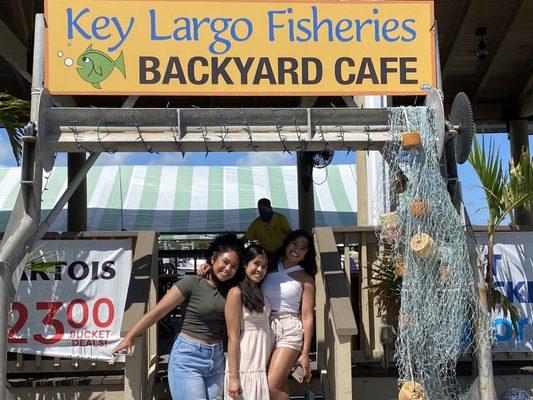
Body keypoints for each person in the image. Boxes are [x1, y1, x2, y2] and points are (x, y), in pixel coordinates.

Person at [111, 233, 244, 400]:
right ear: (213, 258)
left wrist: (234, 376)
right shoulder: (192, 283)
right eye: (225, 262)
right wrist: (130, 336)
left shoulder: (232, 290)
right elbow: (158, 311)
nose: (228, 269)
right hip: (188, 357)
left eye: (234, 266)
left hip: (216, 359)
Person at [262, 230, 316, 400]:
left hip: (290, 328)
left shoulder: (306, 279)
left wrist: (305, 352)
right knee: (279, 385)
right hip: (265, 326)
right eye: (294, 243)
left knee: (269, 386)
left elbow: (307, 316)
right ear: (287, 243)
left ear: (307, 253)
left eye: (303, 248)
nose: (297, 249)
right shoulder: (268, 266)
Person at [225, 244, 271, 400]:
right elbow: (233, 337)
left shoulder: (260, 289)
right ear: (245, 264)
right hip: (246, 364)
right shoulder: (236, 292)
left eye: (264, 266)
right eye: (256, 264)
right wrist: (233, 377)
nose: (260, 269)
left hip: (262, 362)